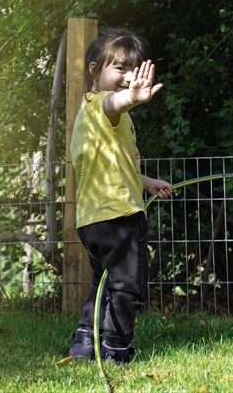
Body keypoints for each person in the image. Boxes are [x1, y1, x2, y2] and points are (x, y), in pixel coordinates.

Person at [68, 28, 172, 364]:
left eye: (134, 69)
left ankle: (85, 342)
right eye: (120, 69)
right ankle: (115, 348)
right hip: (119, 216)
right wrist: (132, 98)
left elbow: (115, 167)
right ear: (95, 71)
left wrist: (147, 182)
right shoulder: (103, 106)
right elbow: (115, 102)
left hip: (94, 219)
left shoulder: (104, 118)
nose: (128, 77)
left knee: (103, 283)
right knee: (126, 286)